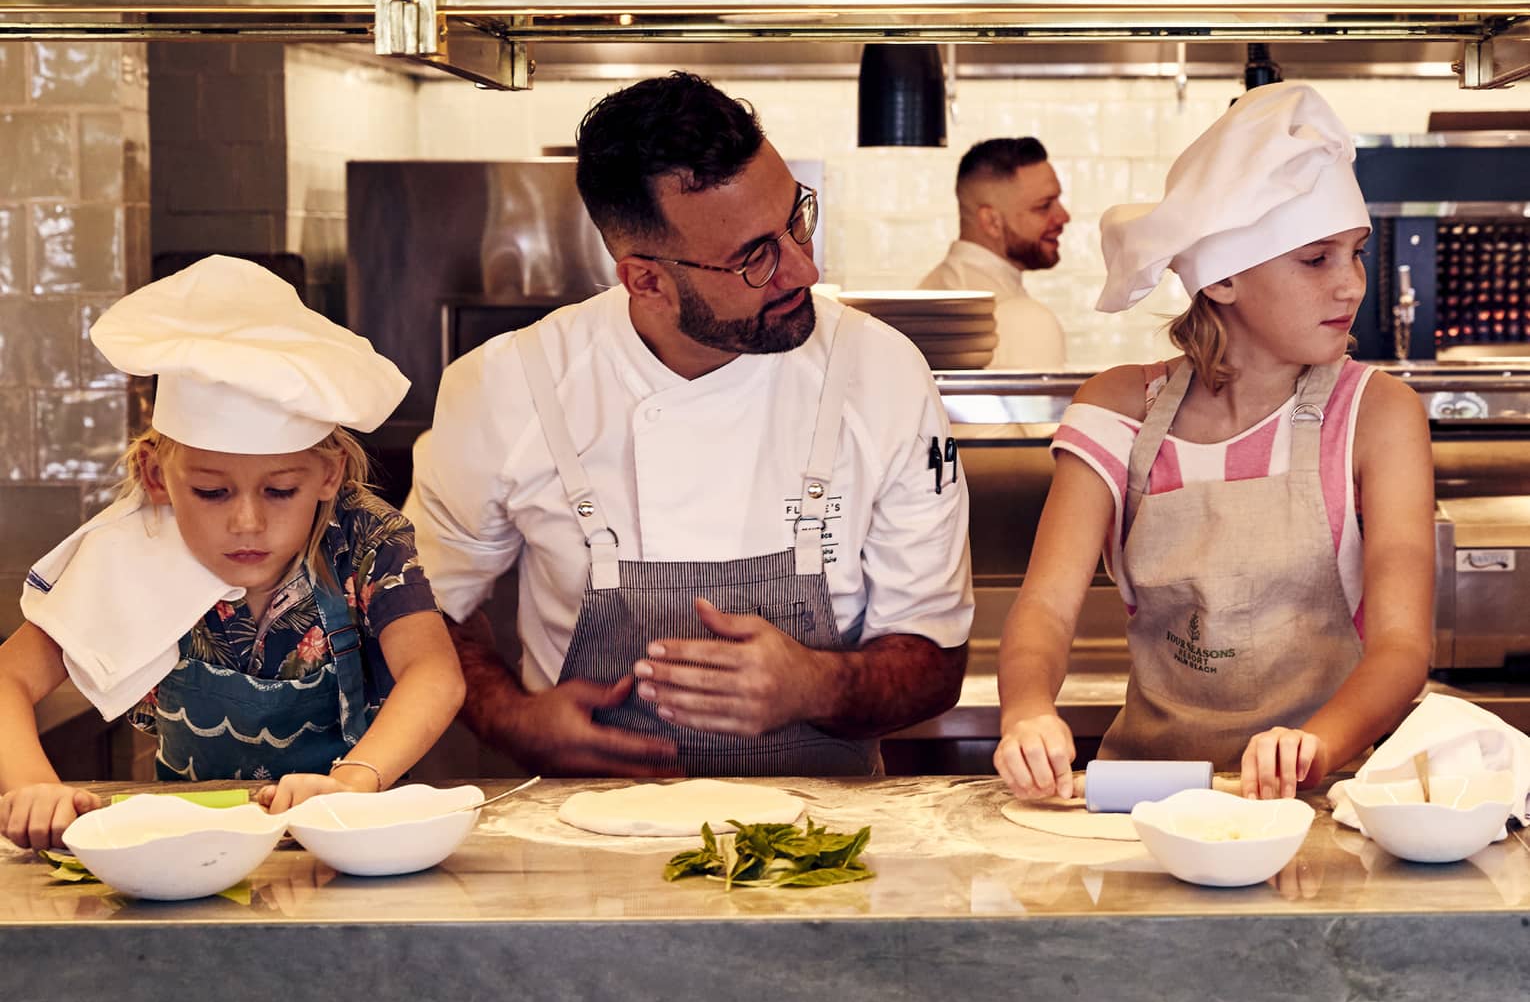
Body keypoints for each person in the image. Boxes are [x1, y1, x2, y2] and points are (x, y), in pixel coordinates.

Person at [406, 71, 973, 778]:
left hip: (825, 848)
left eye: (796, 218)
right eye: (754, 257)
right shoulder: (508, 388)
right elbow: (422, 612)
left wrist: (814, 684)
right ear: (644, 280)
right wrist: (511, 719)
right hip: (582, 843)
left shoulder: (882, 373)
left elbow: (937, 658)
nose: (804, 267)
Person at [993, 82, 1435, 801]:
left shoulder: (1376, 414)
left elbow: (1401, 646)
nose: (1351, 286)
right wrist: (1029, 712)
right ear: (1223, 278)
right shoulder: (1121, 407)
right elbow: (1045, 606)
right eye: (1316, 259)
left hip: (1326, 801)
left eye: (1355, 254)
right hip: (1147, 801)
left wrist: (1312, 746)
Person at [0, 256, 465, 850]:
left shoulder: (365, 538)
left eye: (280, 490)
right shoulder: (133, 549)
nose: (247, 522)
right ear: (157, 477)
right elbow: (9, 677)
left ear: (328, 474)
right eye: (211, 491)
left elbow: (434, 675)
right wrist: (36, 787)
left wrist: (350, 783)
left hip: (348, 842)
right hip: (190, 853)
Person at [918, 137, 1070, 369]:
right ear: (992, 221)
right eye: (1044, 206)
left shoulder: (927, 291)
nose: (1063, 217)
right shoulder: (1026, 322)